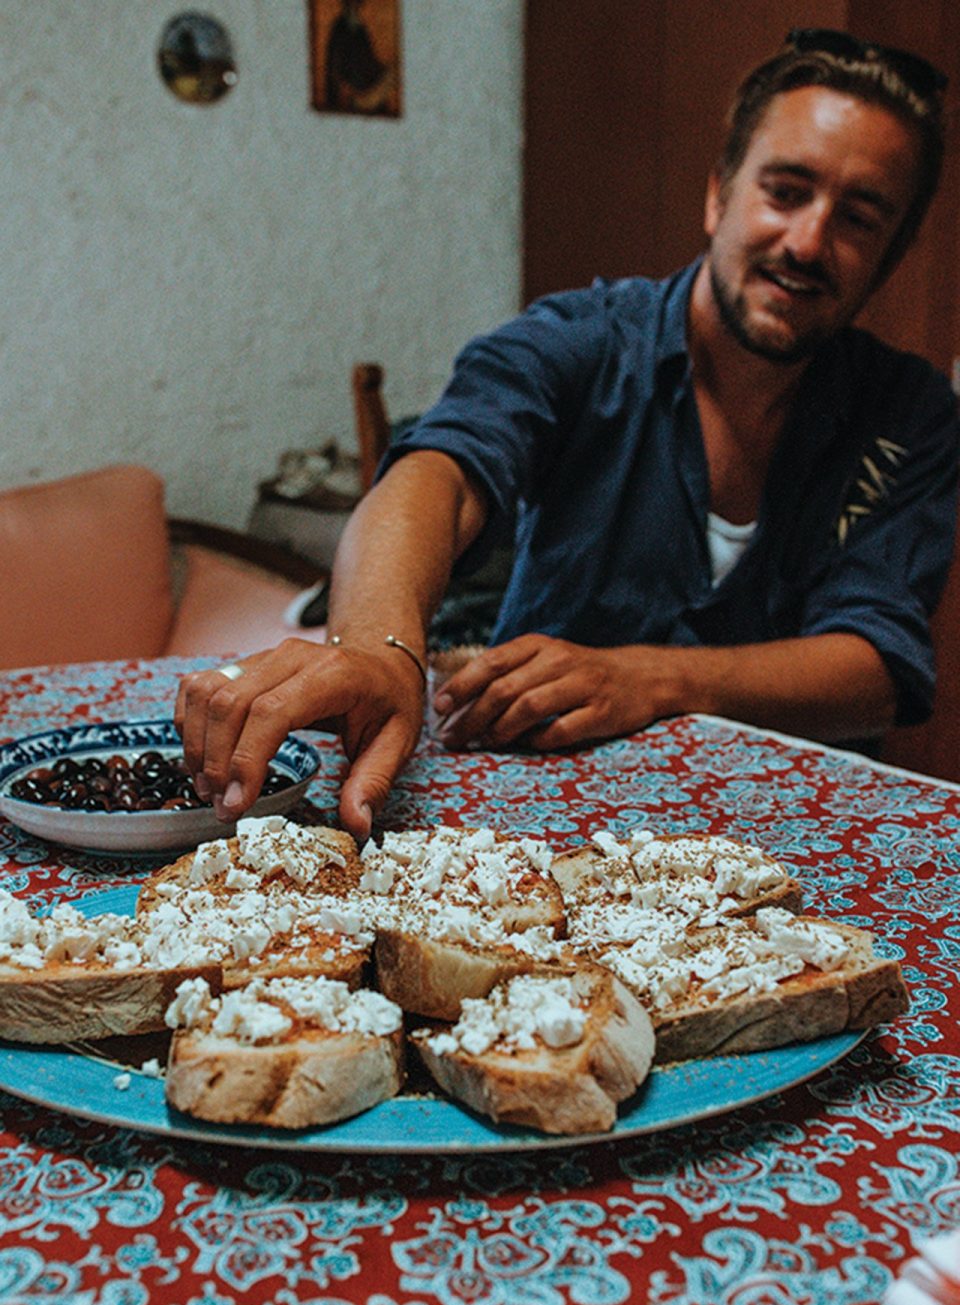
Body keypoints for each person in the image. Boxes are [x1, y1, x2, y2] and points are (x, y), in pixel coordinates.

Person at [177, 29, 957, 842]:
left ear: (893, 254)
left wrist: (650, 678)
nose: (807, 242)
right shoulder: (578, 342)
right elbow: (437, 476)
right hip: (539, 822)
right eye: (786, 191)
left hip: (791, 838)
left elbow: (878, 666)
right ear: (720, 195)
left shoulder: (909, 410)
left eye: (859, 219)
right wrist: (380, 649)